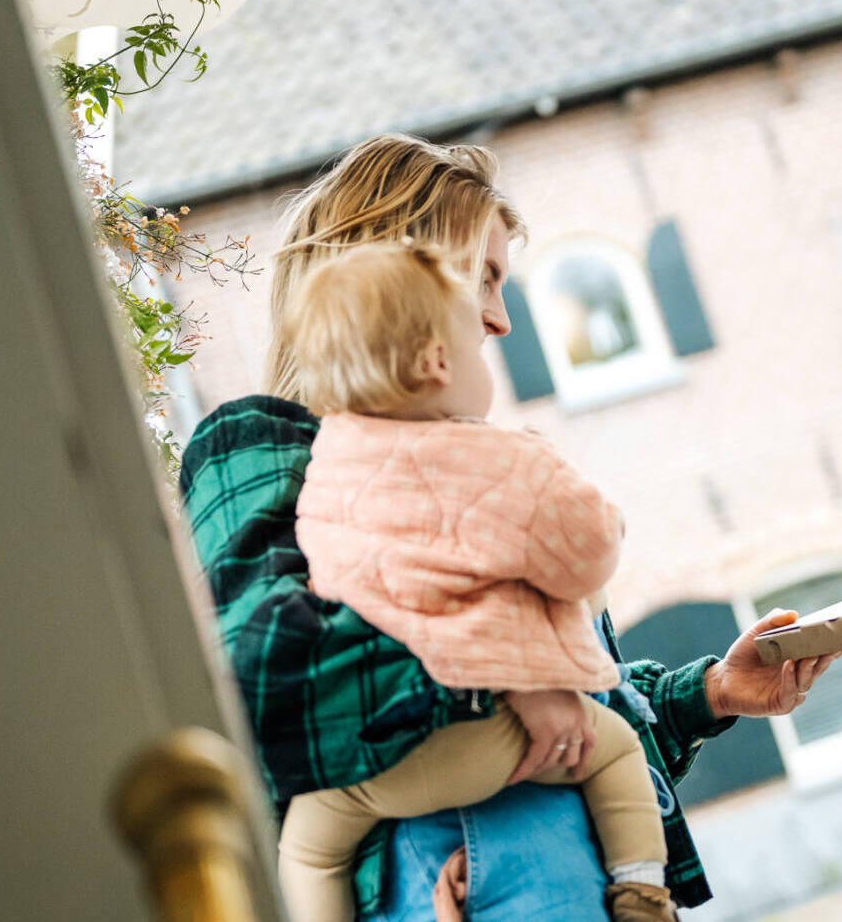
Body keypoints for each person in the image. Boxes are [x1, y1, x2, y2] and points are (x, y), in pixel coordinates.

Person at [178, 134, 836, 922]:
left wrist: (712, 694)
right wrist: (510, 681)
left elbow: (565, 728)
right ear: (393, 278)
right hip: (456, 865)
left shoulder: (470, 461)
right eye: (482, 279)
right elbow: (274, 681)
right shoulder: (261, 442)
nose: (499, 320)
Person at [276, 242, 674, 922]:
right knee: (613, 750)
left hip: (374, 761)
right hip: (494, 737)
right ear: (437, 362)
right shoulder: (495, 459)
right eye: (475, 343)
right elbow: (587, 552)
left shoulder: (320, 467)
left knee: (308, 848)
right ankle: (641, 893)